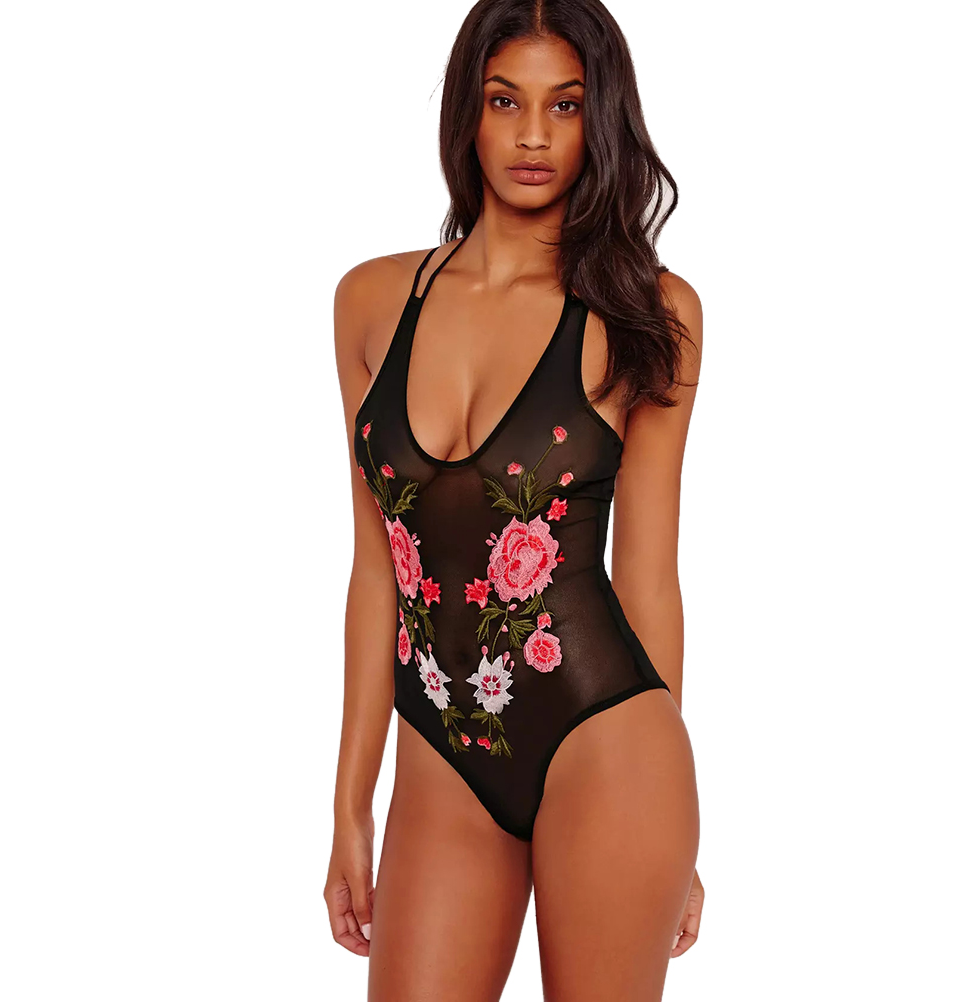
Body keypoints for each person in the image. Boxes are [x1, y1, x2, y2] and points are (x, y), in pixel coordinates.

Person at [327, 1, 703, 998]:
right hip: (440, 759)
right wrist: (350, 805)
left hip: (607, 744)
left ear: (599, 120)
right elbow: (377, 571)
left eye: (564, 105)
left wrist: (674, 830)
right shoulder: (370, 303)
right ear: (468, 112)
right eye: (506, 101)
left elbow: (648, 579)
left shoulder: (648, 313)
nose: (534, 134)